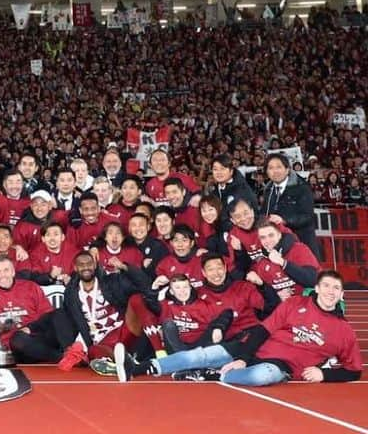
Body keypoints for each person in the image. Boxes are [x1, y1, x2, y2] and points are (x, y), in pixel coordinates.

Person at [119, 270, 363, 384]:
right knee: (202, 354)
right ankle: (139, 368)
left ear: (342, 294)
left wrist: (324, 374)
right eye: (327, 286)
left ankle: (211, 375)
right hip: (250, 347)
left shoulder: (344, 332)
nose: (331, 292)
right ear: (317, 288)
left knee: (262, 377)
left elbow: (354, 371)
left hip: (279, 366)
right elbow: (262, 331)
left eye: (336, 289)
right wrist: (244, 357)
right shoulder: (296, 303)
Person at [57, 251, 155, 375]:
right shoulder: (71, 294)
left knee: (137, 299)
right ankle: (119, 364)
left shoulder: (111, 282)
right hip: (101, 341)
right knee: (93, 351)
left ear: (95, 265)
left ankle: (158, 352)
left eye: (89, 263)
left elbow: (144, 284)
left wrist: (124, 267)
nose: (86, 267)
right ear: (75, 268)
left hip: (123, 331)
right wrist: (78, 344)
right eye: (81, 264)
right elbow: (73, 321)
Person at [0, 256, 63, 363]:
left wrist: (30, 328)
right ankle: (62, 358)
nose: (2, 275)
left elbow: (48, 316)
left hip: (39, 337)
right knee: (18, 338)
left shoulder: (31, 287)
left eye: (6, 270)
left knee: (60, 313)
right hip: (16, 348)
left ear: (13, 272)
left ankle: (64, 351)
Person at [244, 220, 321, 312]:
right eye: (263, 237)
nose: (267, 241)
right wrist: (277, 295)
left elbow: (313, 280)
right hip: (282, 312)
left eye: (271, 235)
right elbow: (263, 300)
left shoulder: (299, 249)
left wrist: (283, 263)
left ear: (279, 235)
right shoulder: (260, 262)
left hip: (308, 307)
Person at [261, 153, 320, 258]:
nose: (275, 171)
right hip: (278, 246)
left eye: (279, 167)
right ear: (267, 172)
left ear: (287, 169)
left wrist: (285, 220)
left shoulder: (301, 188)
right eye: (271, 168)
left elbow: (307, 216)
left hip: (302, 242)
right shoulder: (268, 190)